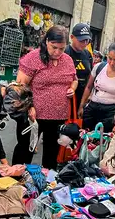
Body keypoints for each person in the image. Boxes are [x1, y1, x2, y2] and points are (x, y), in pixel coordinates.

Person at [13, 25, 78, 170]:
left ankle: (46, 183)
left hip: (58, 116)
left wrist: (72, 88)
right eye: (54, 47)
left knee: (51, 152)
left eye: (61, 48)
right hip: (34, 115)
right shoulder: (33, 58)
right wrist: (29, 106)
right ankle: (16, 180)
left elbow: (74, 79)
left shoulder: (67, 60)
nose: (57, 52)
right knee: (26, 149)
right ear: (46, 41)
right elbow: (20, 86)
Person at [79, 41, 115, 132]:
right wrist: (81, 106)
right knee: (85, 136)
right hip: (91, 108)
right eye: (110, 58)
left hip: (110, 113)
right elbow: (88, 87)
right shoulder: (98, 67)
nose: (112, 63)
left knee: (102, 141)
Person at [65, 23, 93, 109]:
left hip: (81, 97)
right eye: (81, 40)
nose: (84, 43)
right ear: (72, 37)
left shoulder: (88, 54)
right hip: (66, 95)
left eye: (87, 41)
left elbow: (90, 76)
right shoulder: (65, 52)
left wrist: (88, 95)